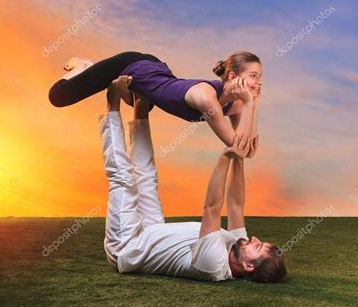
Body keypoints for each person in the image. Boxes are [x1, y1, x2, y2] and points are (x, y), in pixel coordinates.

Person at [99, 76, 286, 283]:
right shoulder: (237, 245)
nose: (255, 239)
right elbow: (235, 204)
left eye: (258, 246)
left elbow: (212, 207)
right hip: (152, 230)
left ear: (248, 266)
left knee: (123, 179)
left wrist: (226, 156)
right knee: (147, 175)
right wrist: (239, 158)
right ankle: (141, 104)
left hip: (127, 247)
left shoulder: (214, 265)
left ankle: (112, 101)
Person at [49, 51, 261, 153]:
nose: (258, 82)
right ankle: (84, 66)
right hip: (132, 64)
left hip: (154, 71)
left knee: (143, 104)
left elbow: (248, 150)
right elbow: (235, 144)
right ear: (233, 77)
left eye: (259, 76)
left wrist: (250, 106)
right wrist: (250, 105)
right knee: (58, 96)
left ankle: (124, 88)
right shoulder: (206, 97)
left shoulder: (236, 105)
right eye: (253, 75)